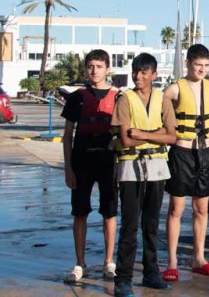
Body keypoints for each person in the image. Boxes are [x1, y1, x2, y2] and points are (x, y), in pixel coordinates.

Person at [111, 53, 177, 297]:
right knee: (129, 225)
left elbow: (172, 136)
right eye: (135, 71)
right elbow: (126, 139)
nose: (138, 76)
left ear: (154, 75)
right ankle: (123, 279)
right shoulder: (125, 99)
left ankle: (151, 274)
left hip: (157, 166)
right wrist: (155, 133)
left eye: (144, 72)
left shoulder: (162, 99)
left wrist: (143, 134)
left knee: (151, 224)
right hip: (130, 168)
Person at [162, 44, 209, 281]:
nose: (202, 70)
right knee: (177, 208)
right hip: (182, 153)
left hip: (205, 153)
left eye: (207, 66)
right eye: (198, 65)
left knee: (202, 208)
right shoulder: (174, 89)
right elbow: (162, 115)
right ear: (188, 63)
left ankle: (199, 257)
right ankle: (172, 261)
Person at [61, 49, 119, 283]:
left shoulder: (118, 97)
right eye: (91, 66)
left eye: (99, 66)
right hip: (82, 161)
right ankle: (79, 263)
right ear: (86, 68)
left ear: (107, 68)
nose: (94, 70)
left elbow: (122, 133)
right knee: (80, 213)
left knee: (110, 212)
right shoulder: (77, 97)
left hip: (108, 161)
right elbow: (67, 136)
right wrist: (67, 168)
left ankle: (108, 262)